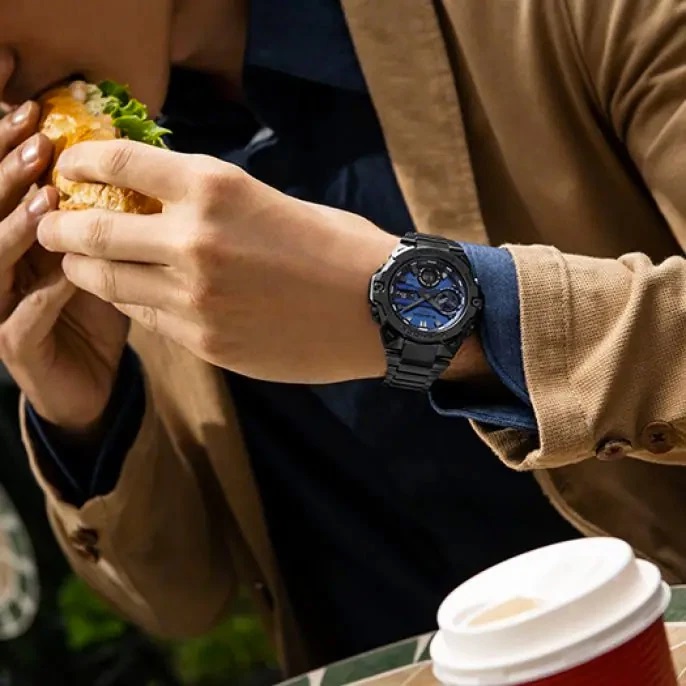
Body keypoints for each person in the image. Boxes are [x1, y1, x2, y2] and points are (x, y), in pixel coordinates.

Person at [0, 0, 685, 677]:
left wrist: (420, 308)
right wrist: (89, 415)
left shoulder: (569, 17)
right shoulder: (102, 187)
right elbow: (185, 603)